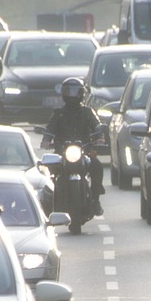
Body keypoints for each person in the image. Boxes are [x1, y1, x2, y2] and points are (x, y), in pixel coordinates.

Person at [43, 77, 105, 215]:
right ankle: (49, 202)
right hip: (61, 152)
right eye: (69, 91)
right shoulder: (58, 113)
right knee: (49, 169)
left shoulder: (87, 112)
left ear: (81, 93)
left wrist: (100, 137)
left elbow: (97, 126)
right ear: (64, 93)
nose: (72, 94)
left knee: (97, 166)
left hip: (84, 151)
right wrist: (46, 139)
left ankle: (95, 199)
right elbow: (49, 129)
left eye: (75, 91)